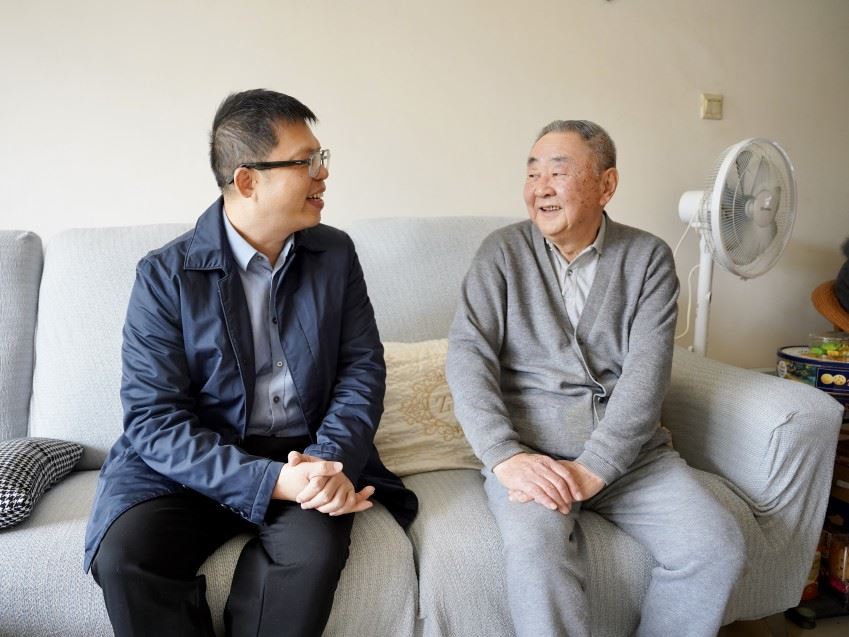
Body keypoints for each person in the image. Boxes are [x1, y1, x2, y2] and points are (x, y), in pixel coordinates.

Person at [83, 89, 417, 637]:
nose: (323, 174)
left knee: (310, 556)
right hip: (193, 465)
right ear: (247, 181)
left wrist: (326, 463)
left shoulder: (334, 254)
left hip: (304, 453)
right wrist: (273, 481)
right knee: (126, 558)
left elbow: (361, 371)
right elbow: (153, 419)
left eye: (321, 157)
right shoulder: (164, 275)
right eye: (306, 161)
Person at [446, 120, 745, 637]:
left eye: (558, 172)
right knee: (536, 552)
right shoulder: (502, 252)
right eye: (532, 173)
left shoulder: (648, 258)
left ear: (606, 185)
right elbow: (468, 357)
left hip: (633, 459)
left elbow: (647, 376)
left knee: (716, 546)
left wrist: (597, 467)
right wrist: (505, 456)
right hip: (534, 458)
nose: (540, 187)